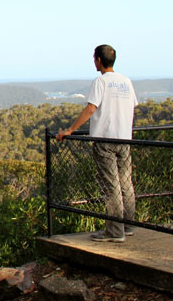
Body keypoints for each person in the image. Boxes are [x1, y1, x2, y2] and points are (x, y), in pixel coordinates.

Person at [56, 44, 138, 243]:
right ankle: (128, 226)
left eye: (94, 58)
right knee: (126, 183)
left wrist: (70, 130)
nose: (94, 62)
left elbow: (91, 109)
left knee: (111, 186)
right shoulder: (126, 81)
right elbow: (132, 106)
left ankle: (114, 232)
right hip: (124, 139)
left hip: (105, 140)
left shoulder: (101, 82)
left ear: (99, 60)